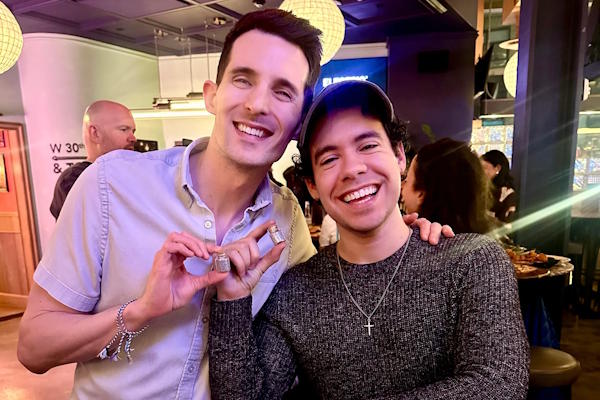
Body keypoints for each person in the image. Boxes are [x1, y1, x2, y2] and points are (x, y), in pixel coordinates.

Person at [18, 10, 448, 399]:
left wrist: (403, 240)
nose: (257, 104)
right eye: (243, 79)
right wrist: (141, 311)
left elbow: (336, 291)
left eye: (282, 91)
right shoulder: (111, 185)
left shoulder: (287, 221)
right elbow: (34, 347)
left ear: (298, 121)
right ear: (213, 95)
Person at [208, 81, 529, 399]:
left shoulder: (472, 262)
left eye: (367, 146)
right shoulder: (295, 291)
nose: (352, 169)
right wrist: (233, 298)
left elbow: (498, 383)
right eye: (329, 159)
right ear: (312, 185)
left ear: (399, 156)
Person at [49, 100, 137, 219]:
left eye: (133, 131)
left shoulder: (130, 175)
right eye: (124, 129)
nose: (133, 138)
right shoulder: (75, 180)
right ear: (95, 133)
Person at [401, 138, 494, 234]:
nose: (402, 187)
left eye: (406, 180)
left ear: (421, 194)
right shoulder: (485, 238)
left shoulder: (412, 237)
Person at [481, 149, 518, 223]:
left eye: (484, 167)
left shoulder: (506, 193)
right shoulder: (479, 188)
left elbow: (505, 223)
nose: (480, 172)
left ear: (497, 168)